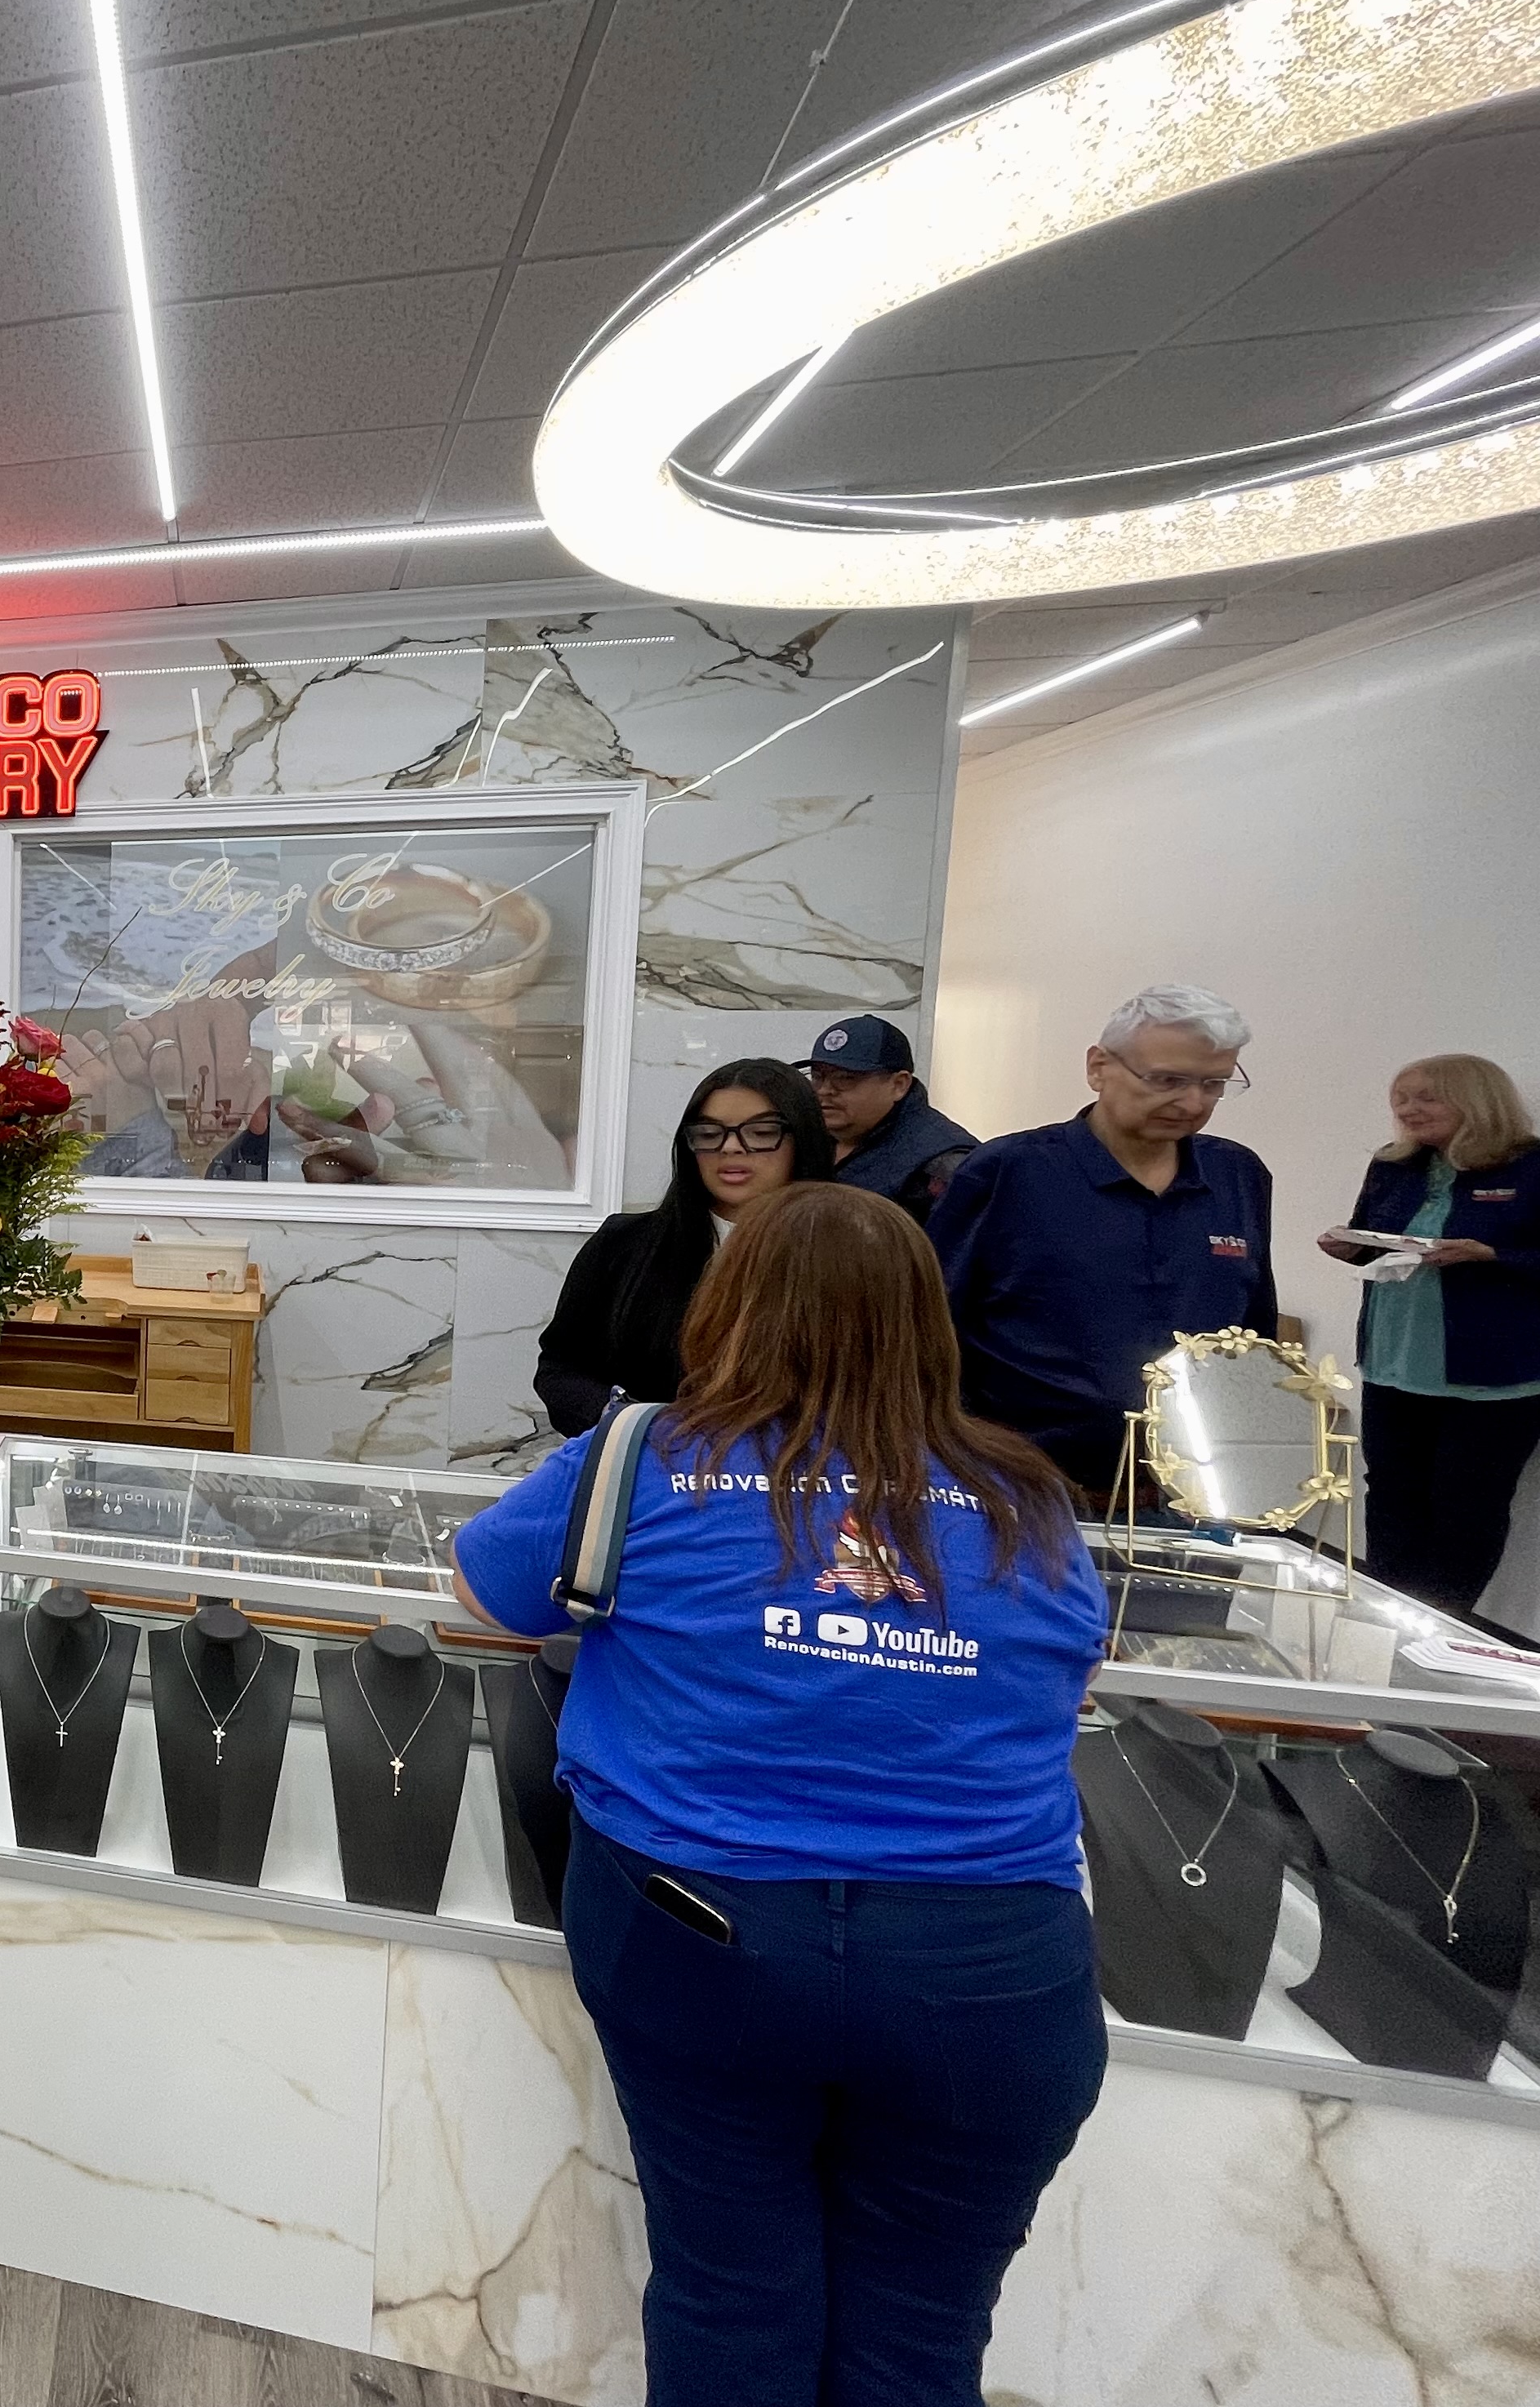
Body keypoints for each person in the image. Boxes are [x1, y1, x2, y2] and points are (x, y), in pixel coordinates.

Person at [452, 1184, 1110, 2407]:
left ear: (730, 1308)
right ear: (931, 1322)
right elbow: (1063, 1677)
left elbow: (489, 1598)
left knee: (730, 2294)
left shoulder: (646, 1457)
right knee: (919, 2336)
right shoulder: (1028, 1494)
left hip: (703, 1932)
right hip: (993, 1968)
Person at [930, 984, 1275, 1496]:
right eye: (1167, 1080)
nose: (1192, 1102)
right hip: (1023, 1480)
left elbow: (1252, 1332)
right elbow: (932, 1323)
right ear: (1098, 1067)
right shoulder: (1007, 1173)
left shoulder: (1237, 1175)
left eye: (1214, 1084)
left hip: (1190, 1487)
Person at [1320, 1054, 1540, 1620]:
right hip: (1396, 1363)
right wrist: (1353, 1245)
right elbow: (1381, 1238)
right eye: (1401, 1099)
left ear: (1477, 1100)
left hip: (1494, 1375)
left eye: (1426, 1098)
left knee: (1467, 1507)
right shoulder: (1394, 1165)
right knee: (1391, 1496)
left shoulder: (1530, 1167)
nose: (1408, 1110)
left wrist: (1493, 1256)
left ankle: (1442, 1625)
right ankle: (1384, 1614)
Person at [534, 1059, 834, 1433]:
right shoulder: (625, 1244)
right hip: (648, 1469)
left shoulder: (847, 1254)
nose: (731, 1148)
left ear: (802, 1139)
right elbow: (562, 1368)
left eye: (760, 1132)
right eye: (709, 1133)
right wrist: (634, 1427)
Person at [795, 1012, 973, 1222]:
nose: (825, 1090)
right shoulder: (804, 1138)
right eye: (817, 1077)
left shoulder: (945, 1163)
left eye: (845, 1079)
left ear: (899, 1085)